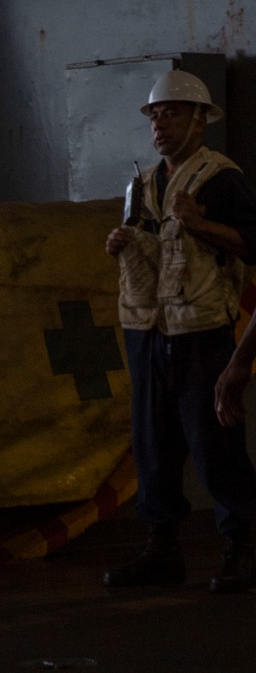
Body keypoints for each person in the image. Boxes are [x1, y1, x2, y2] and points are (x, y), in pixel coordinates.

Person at [103, 70, 256, 593]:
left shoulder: (222, 180)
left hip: (201, 332)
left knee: (216, 446)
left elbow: (252, 245)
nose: (159, 122)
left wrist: (203, 224)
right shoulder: (142, 184)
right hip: (146, 329)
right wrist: (124, 245)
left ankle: (243, 547)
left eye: (171, 112)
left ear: (200, 120)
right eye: (154, 114)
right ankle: (161, 550)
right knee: (153, 447)